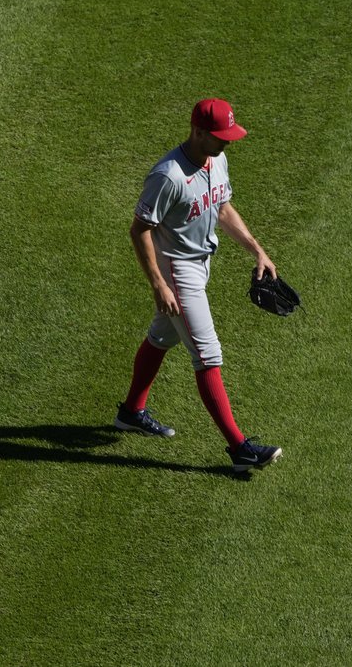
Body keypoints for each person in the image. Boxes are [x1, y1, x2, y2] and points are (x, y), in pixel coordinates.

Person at [116, 98, 282, 472]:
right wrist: (158, 283)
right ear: (198, 131)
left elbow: (222, 208)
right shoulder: (168, 175)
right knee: (208, 355)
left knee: (162, 337)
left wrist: (257, 249)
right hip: (177, 271)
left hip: (202, 264)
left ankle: (130, 412)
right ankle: (240, 449)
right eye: (220, 136)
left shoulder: (217, 158)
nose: (227, 142)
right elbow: (139, 229)